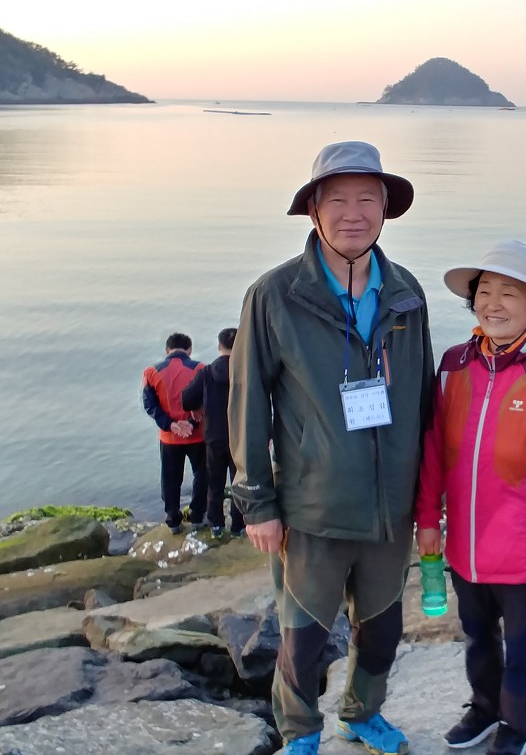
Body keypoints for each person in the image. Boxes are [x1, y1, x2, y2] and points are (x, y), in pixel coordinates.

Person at [229, 141, 434, 755]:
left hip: (391, 508)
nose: (353, 213)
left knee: (383, 628)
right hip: (311, 508)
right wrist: (257, 503)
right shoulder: (276, 295)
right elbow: (247, 402)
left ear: (385, 209)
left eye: (367, 199)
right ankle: (299, 732)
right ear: (314, 209)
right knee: (303, 636)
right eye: (337, 199)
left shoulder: (406, 292)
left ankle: (362, 714)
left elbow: (424, 401)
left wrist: (429, 501)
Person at [416, 240, 526, 755]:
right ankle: (484, 707)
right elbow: (432, 451)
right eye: (485, 291)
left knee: (523, 646)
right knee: (476, 635)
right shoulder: (453, 366)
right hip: (464, 546)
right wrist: (426, 518)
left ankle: (517, 725)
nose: (492, 304)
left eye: (509, 293)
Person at [181, 327, 243, 539]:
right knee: (239, 482)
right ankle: (239, 525)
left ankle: (216, 524)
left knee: (214, 483)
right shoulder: (246, 371)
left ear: (219, 347)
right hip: (240, 437)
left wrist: (197, 407)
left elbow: (186, 398)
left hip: (214, 435)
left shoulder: (207, 373)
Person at [142, 332, 207, 534]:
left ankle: (173, 519)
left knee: (170, 478)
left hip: (169, 437)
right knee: (202, 474)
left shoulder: (151, 372)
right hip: (198, 434)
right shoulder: (200, 369)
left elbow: (149, 405)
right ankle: (198, 516)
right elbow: (207, 401)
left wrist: (170, 424)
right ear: (190, 349)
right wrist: (190, 424)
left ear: (167, 350)